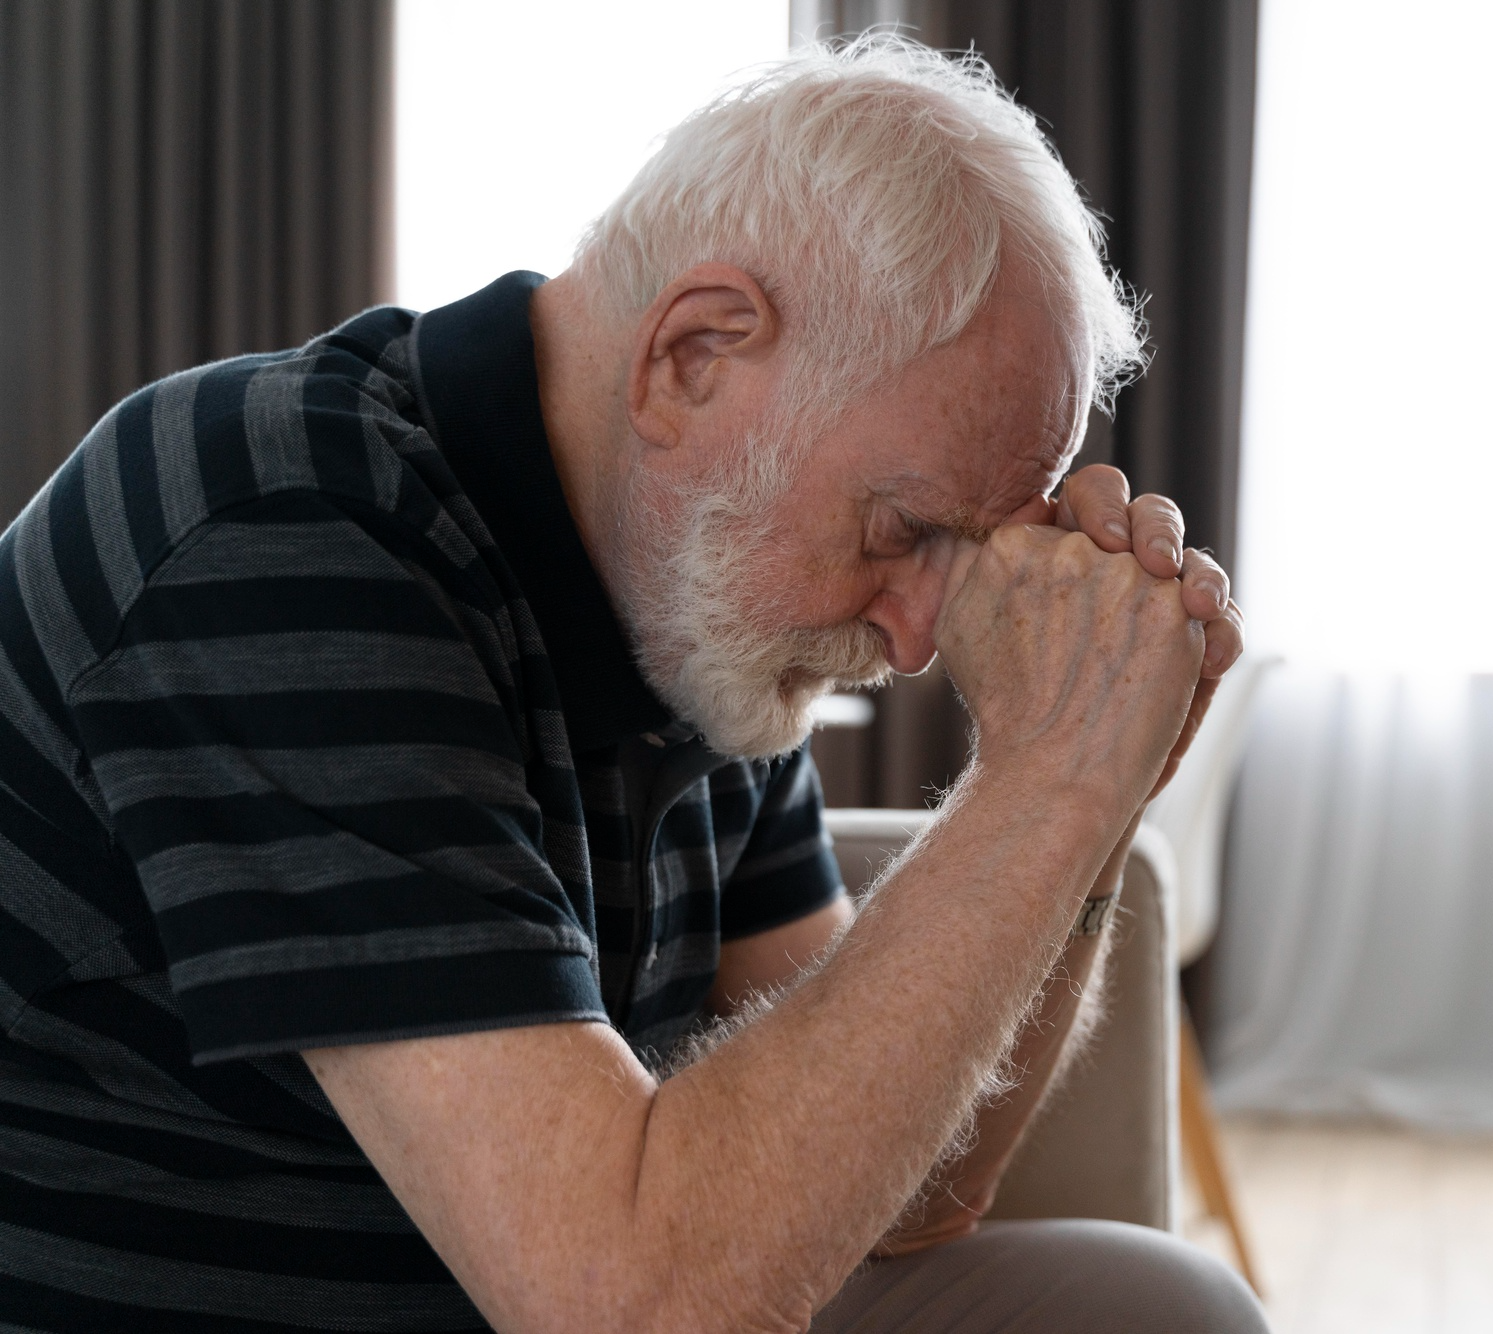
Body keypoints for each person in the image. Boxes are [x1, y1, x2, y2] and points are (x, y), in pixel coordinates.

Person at [0, 36, 1260, 1334]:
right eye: (906, 529)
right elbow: (627, 1304)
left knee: (1160, 1305)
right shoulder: (274, 535)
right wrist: (1043, 784)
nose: (922, 637)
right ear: (694, 355)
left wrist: (1088, 790)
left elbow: (905, 1199)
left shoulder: (693, 596)